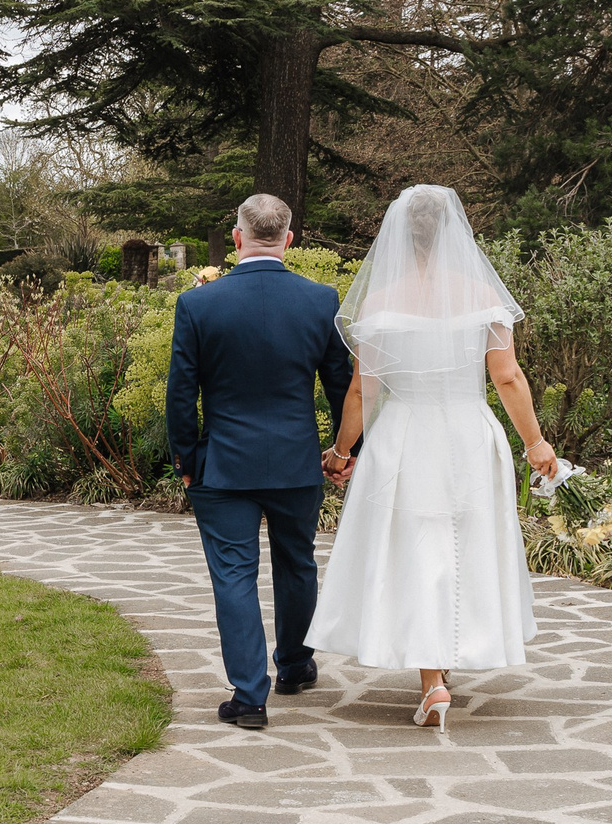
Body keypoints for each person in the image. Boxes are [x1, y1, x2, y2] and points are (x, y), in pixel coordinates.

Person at [308, 184, 559, 730]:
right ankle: (439, 669)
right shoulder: (481, 296)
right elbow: (508, 376)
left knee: (420, 548)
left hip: (404, 434)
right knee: (461, 543)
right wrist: (535, 442)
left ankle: (433, 680)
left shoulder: (379, 302)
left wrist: (342, 449)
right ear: (455, 232)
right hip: (469, 432)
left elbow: (362, 391)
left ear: (398, 234)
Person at [165, 193, 353, 729]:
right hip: (296, 463)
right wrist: (345, 453)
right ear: (289, 239)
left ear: (238, 237)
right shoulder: (321, 300)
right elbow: (342, 386)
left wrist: (187, 456)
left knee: (233, 576)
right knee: (297, 563)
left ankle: (249, 697)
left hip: (222, 464)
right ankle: (294, 666)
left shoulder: (199, 304)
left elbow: (182, 393)